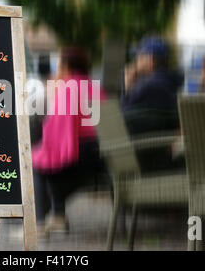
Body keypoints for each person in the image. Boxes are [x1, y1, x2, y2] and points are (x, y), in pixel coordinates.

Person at [31, 45, 106, 237]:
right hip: (101, 154)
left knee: (37, 163)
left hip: (81, 155)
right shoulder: (94, 86)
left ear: (65, 65)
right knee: (47, 161)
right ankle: (57, 216)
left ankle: (39, 224)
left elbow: (56, 130)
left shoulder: (68, 87)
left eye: (59, 64)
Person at [121, 37, 184, 172]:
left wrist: (127, 88)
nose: (136, 60)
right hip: (162, 152)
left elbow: (121, 118)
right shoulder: (172, 83)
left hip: (143, 158)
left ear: (150, 60)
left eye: (139, 56)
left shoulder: (148, 87)